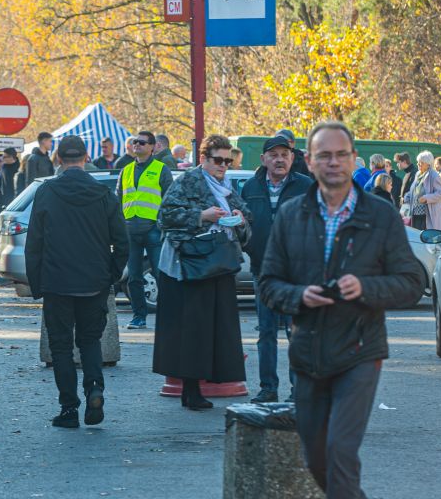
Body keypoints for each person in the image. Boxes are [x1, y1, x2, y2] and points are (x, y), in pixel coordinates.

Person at [260, 122, 425, 499]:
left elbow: (413, 283)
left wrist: (365, 287)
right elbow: (268, 283)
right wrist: (299, 296)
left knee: (340, 451)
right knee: (317, 459)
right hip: (309, 351)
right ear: (309, 162)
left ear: (354, 159)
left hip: (359, 349)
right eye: (323, 156)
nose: (333, 163)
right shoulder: (292, 214)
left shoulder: (381, 214)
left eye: (341, 154)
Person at [25, 135, 129, 428]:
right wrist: (111, 274)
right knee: (90, 341)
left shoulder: (47, 192)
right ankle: (94, 387)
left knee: (60, 346)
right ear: (86, 159)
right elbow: (122, 241)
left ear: (58, 159)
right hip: (93, 279)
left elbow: (34, 241)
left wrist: (37, 283)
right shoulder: (103, 194)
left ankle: (69, 408)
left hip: (57, 280)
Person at [152, 134, 250, 410]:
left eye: (227, 161)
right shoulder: (187, 181)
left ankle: (203, 384)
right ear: (204, 159)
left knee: (214, 329)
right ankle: (190, 390)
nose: (223, 166)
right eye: (218, 160)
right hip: (188, 267)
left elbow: (246, 219)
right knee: (193, 330)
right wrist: (202, 216)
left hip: (218, 263)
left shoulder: (226, 187)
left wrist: (241, 222)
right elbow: (165, 217)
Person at [241, 135, 313, 403]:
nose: (280, 159)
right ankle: (268, 388)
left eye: (285, 154)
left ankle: (298, 390)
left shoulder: (306, 186)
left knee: (296, 334)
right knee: (266, 333)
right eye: (274, 155)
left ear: (293, 158)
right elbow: (244, 225)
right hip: (264, 272)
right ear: (263, 159)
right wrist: (249, 247)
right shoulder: (250, 187)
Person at [116, 130, 173, 329]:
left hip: (153, 230)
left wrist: (161, 223)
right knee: (133, 278)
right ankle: (139, 317)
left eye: (141, 143)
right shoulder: (126, 170)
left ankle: (168, 317)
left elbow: (170, 200)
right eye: (134, 142)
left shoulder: (161, 169)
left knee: (160, 275)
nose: (136, 145)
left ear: (152, 147)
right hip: (131, 230)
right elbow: (119, 200)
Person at [401, 151, 441, 231]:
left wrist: (426, 198)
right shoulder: (418, 174)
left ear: (428, 164)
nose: (418, 164)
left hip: (427, 216)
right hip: (415, 214)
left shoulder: (434, 175)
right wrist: (407, 196)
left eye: (421, 163)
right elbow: (414, 191)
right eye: (418, 162)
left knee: (425, 239)